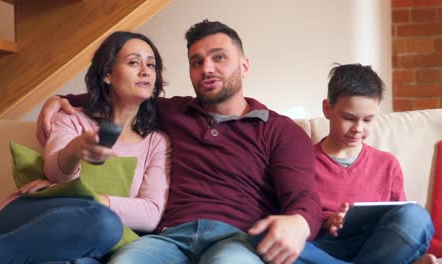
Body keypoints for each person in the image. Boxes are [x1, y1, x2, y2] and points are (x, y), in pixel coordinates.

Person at [38, 20, 355, 264]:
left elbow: (304, 199)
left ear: (244, 65)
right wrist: (60, 98)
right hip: (168, 238)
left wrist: (298, 224)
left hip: (238, 238)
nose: (207, 69)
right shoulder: (175, 112)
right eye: (196, 61)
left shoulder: (280, 130)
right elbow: (123, 95)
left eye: (219, 58)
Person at [0, 31, 170, 264]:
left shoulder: (157, 142)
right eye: (134, 62)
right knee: (106, 223)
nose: (146, 71)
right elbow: (54, 173)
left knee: (92, 248)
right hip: (31, 217)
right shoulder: (71, 118)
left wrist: (86, 198)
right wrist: (76, 150)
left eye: (151, 65)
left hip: (88, 239)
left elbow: (150, 214)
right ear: (108, 73)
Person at [311, 63, 436, 264]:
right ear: (327, 109)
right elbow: (293, 219)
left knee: (416, 216)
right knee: (264, 241)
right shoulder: (303, 162)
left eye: (368, 120)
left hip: (376, 244)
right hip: (326, 248)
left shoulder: (387, 164)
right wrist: (327, 222)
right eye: (349, 118)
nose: (358, 128)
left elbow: (400, 219)